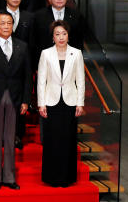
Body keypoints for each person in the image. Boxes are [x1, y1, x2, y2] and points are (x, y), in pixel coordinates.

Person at [0, 11, 31, 191]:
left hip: (16, 98)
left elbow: (27, 76)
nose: (6, 26)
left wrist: (26, 100)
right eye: (2, 23)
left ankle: (9, 177)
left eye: (9, 23)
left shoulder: (22, 46)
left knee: (10, 138)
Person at [37, 20, 85, 187]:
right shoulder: (46, 54)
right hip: (51, 101)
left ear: (68, 35)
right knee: (52, 140)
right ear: (53, 37)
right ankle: (52, 177)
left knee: (68, 140)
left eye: (64, 33)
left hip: (70, 102)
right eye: (57, 34)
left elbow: (81, 79)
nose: (61, 37)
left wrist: (80, 102)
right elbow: (41, 80)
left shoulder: (77, 53)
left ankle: (67, 178)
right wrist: (41, 103)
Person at [0, 0, 35, 149]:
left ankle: (16, 136)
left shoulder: (29, 17)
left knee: (17, 108)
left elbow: (32, 43)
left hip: (20, 62)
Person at [34, 0, 84, 68]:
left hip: (70, 64)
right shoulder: (38, 16)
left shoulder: (76, 15)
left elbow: (79, 43)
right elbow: (35, 43)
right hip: (46, 64)